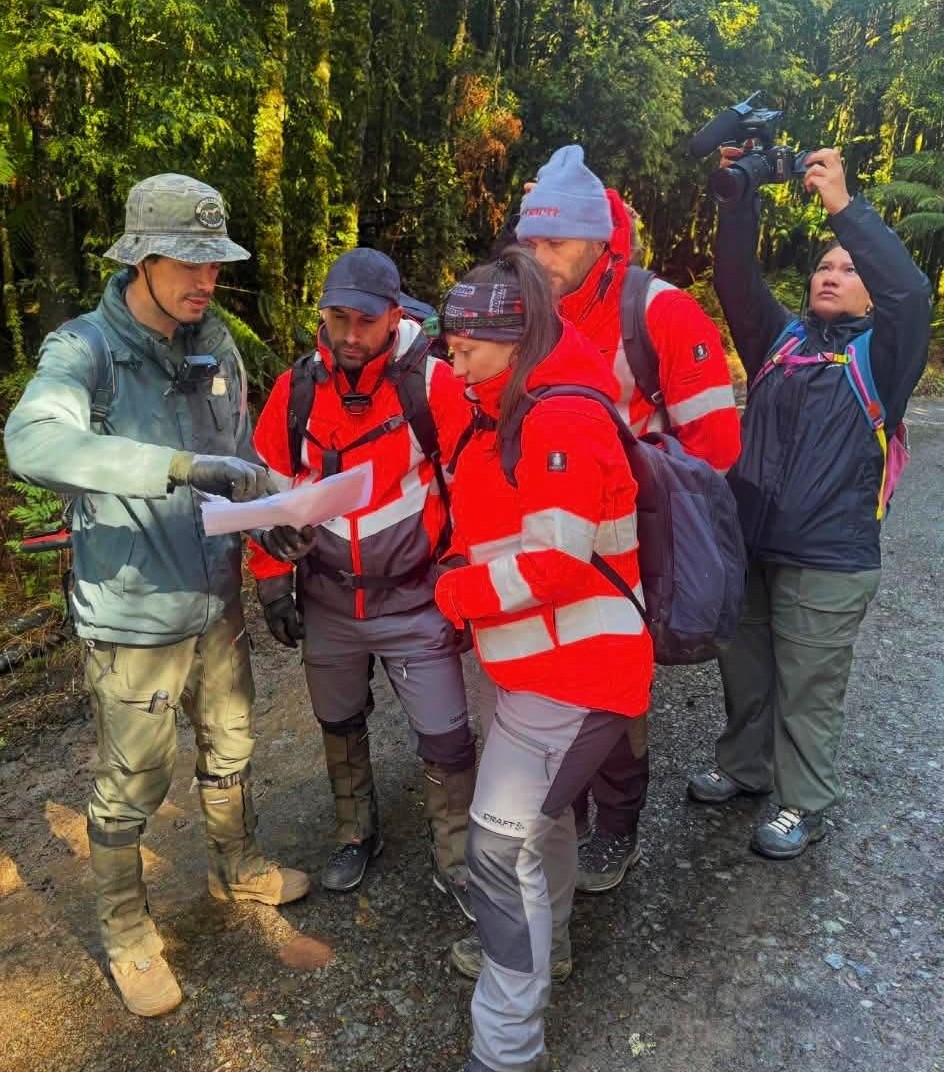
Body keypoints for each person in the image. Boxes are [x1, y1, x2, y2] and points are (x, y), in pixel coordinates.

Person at [3, 174, 310, 1018]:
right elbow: (30, 441)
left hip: (216, 601)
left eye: (215, 264)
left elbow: (237, 456)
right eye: (187, 262)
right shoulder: (84, 351)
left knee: (234, 743)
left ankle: (236, 866)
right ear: (140, 256)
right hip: (132, 613)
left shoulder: (215, 346)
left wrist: (275, 509)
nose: (205, 281)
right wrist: (169, 466)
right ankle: (129, 934)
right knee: (134, 780)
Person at [435, 247, 654, 1072]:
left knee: (496, 856)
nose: (449, 357)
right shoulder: (505, 405)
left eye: (463, 344)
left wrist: (454, 595)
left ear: (514, 337)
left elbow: (555, 563)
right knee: (540, 829)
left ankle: (506, 1050)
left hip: (576, 679)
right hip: (538, 675)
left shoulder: (558, 418)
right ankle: (549, 944)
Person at [687, 147, 931, 858]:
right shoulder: (780, 340)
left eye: (848, 269)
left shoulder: (885, 354)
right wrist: (738, 202)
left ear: (868, 291)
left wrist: (846, 213)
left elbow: (912, 293)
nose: (833, 273)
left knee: (809, 685)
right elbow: (734, 281)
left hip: (831, 555)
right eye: (825, 265)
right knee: (748, 668)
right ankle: (744, 768)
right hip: (754, 543)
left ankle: (805, 802)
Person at [514, 144, 742, 893]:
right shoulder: (520, 307)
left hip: (627, 550)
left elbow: (715, 452)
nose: (540, 257)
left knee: (616, 688)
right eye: (531, 241)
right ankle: (563, 816)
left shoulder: (660, 310)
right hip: (544, 534)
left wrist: (618, 468)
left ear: (599, 240)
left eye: (557, 243)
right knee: (550, 678)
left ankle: (618, 826)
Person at [248, 248, 477, 918]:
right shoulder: (296, 391)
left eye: (365, 321)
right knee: (338, 720)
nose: (350, 334)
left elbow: (474, 485)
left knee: (446, 736)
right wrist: (269, 579)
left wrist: (463, 578)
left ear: (394, 316)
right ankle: (356, 831)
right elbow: (267, 493)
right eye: (337, 317)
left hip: (414, 595)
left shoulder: (431, 383)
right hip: (326, 597)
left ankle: (458, 856)